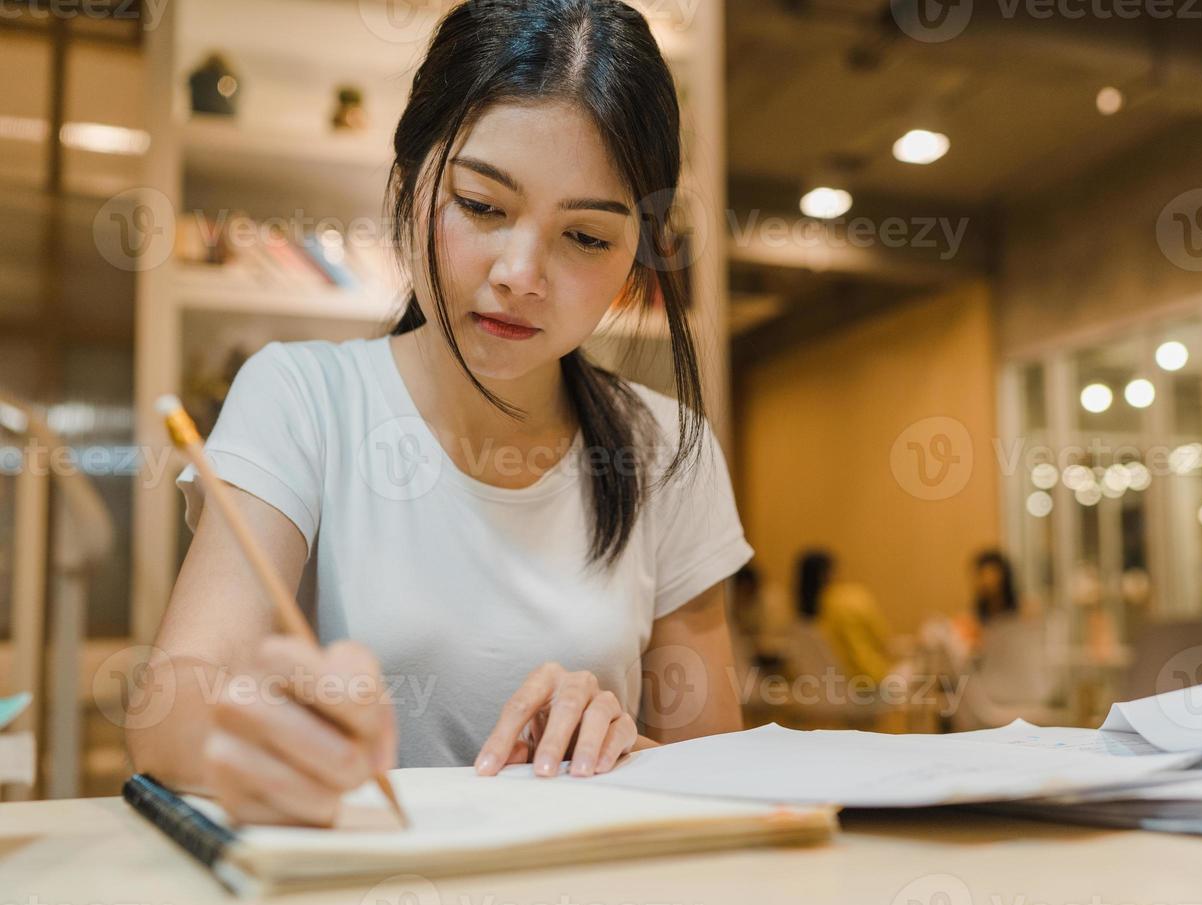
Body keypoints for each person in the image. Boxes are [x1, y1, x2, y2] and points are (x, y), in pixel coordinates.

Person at [125, 0, 753, 826]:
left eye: (588, 239)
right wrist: (257, 727)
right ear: (411, 175)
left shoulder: (670, 447)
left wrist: (629, 749)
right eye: (483, 207)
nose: (520, 273)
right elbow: (168, 713)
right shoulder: (303, 397)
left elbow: (721, 777)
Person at [793, 550, 892, 684]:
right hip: (869, 681)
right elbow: (883, 640)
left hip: (827, 688)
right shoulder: (853, 598)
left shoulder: (801, 617)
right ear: (829, 572)